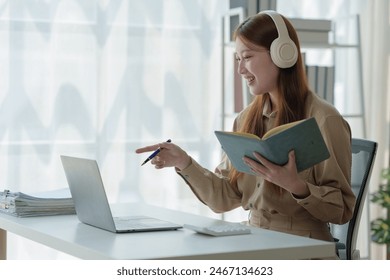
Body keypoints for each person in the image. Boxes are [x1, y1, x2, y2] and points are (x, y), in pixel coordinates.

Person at [136, 10, 355, 244]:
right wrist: (183, 162)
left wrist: (296, 186)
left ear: (282, 54)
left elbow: (340, 210)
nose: (240, 70)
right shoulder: (245, 119)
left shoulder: (324, 119)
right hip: (255, 237)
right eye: (237, 60)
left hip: (304, 246)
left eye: (247, 57)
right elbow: (225, 197)